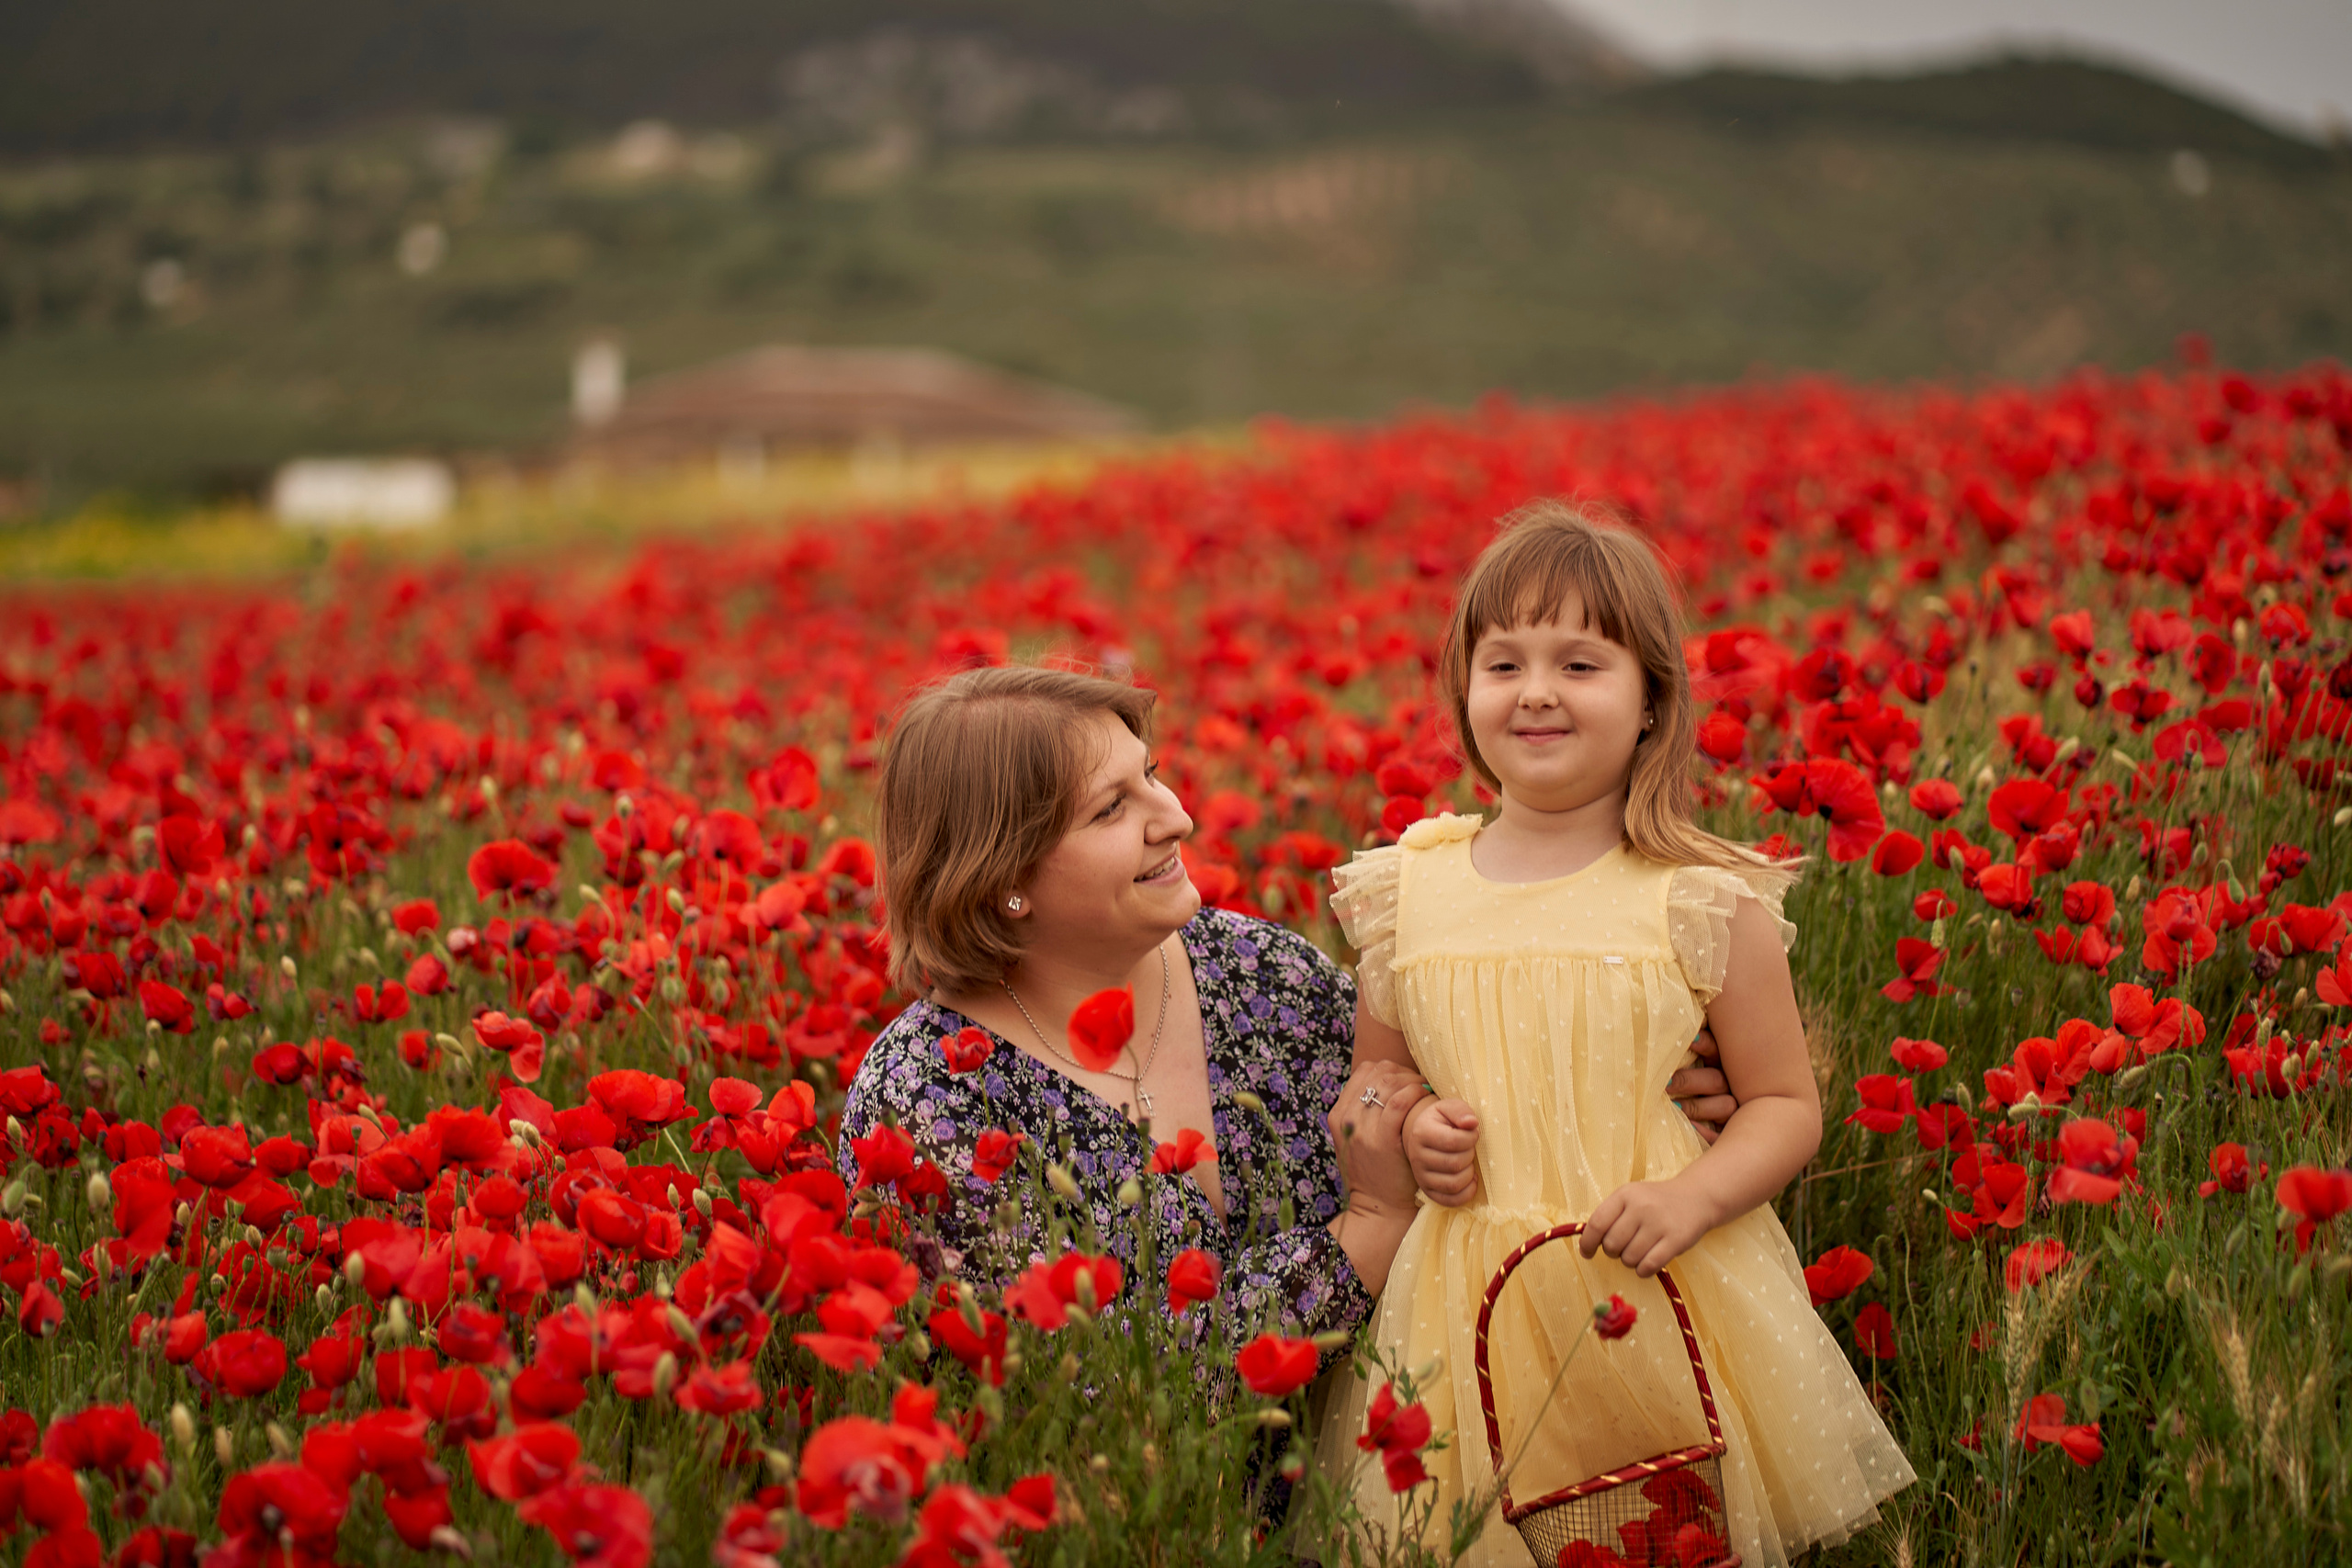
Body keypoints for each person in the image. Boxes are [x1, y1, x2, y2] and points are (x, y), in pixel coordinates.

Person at [835, 665, 1746, 1382]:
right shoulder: (927, 1101)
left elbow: (1461, 1091)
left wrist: (1636, 1083)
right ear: (1004, 877)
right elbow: (1102, 1388)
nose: (1177, 816)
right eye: (1113, 808)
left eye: (1150, 776)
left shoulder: (1255, 973)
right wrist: (1371, 1226)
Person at [1312, 502, 1914, 1568]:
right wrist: (1412, 1133)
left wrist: (1693, 1197)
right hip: (1465, 1296)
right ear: (1464, 694)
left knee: (1659, 1531)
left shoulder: (1697, 899)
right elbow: (1378, 1074)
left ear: (1650, 703)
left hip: (1655, 1272)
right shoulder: (1409, 889)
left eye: (1580, 662)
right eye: (1503, 663)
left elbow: (1782, 1105)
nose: (1536, 689)